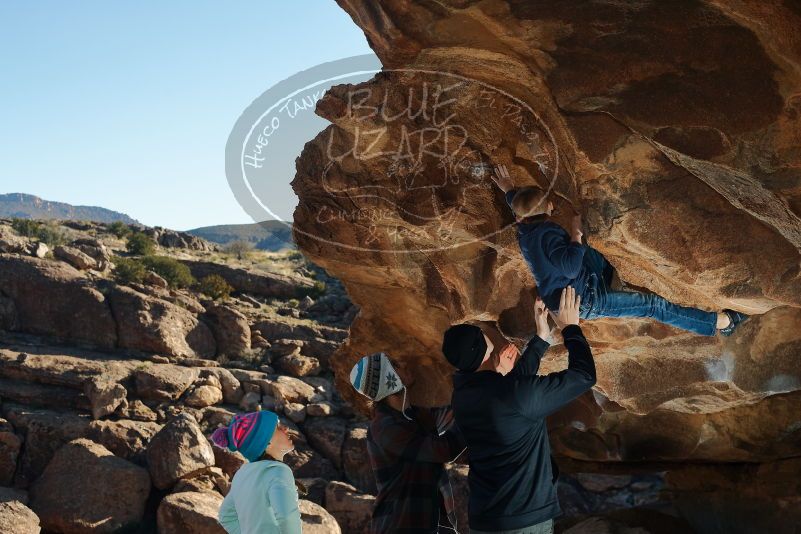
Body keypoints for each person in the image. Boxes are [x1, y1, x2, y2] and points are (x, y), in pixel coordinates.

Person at [491, 164, 749, 337]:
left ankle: (617, 281)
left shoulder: (525, 232)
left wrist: (509, 190)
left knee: (595, 245)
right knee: (652, 306)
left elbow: (521, 207)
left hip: (582, 282)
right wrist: (575, 236)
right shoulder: (547, 234)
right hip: (586, 301)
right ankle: (720, 323)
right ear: (548, 207)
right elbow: (568, 266)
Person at [443, 287, 594, 533]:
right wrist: (570, 328)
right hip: (522, 521)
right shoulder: (507, 394)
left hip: (488, 518)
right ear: (484, 348)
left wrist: (541, 338)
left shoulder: (462, 396)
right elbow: (584, 375)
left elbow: (513, 394)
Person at [350, 351, 467, 533]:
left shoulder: (413, 416)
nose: (404, 365)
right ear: (389, 380)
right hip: (401, 526)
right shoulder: (385, 428)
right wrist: (474, 411)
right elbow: (443, 449)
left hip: (430, 522)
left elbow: (449, 415)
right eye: (395, 365)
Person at [212, 410, 301, 534]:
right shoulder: (278, 471)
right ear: (267, 443)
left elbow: (226, 517)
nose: (285, 428)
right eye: (278, 427)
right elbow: (287, 516)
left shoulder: (242, 474)